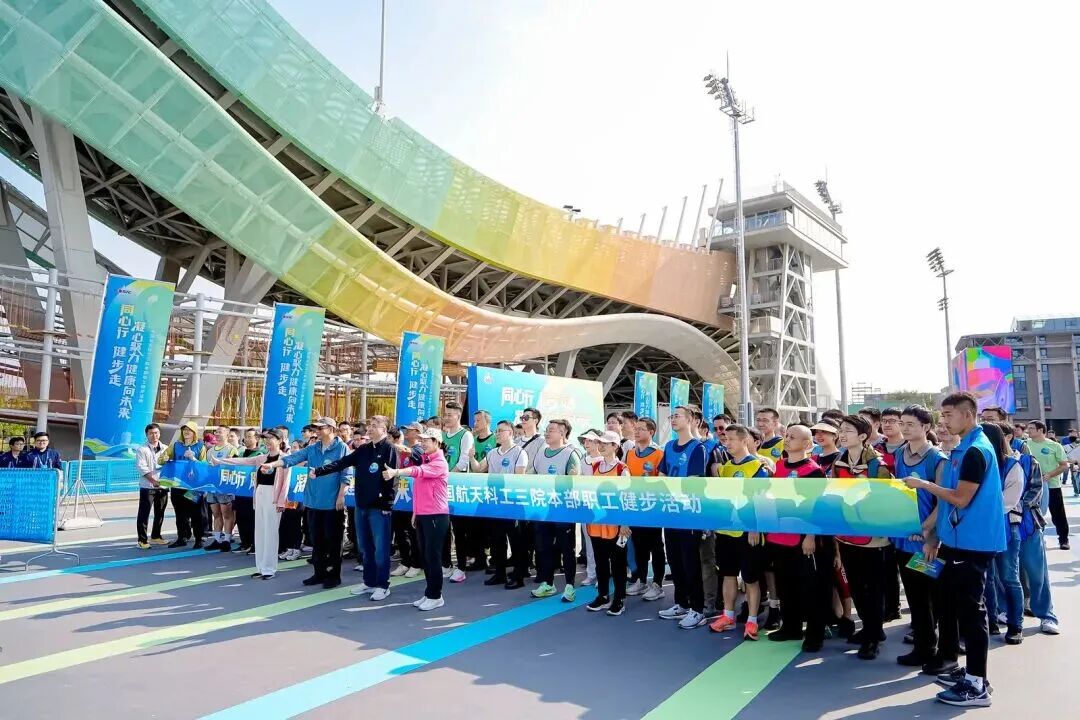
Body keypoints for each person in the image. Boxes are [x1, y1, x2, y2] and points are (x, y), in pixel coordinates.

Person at [905, 392, 1006, 708]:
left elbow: (960, 499)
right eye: (942, 415)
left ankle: (977, 684)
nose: (943, 422)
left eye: (948, 415)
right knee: (952, 603)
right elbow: (951, 503)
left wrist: (925, 485)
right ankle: (967, 672)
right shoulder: (962, 448)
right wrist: (935, 536)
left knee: (972, 612)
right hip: (956, 541)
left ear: (967, 414)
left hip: (972, 543)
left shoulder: (975, 450)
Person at [307, 416, 399, 601]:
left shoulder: (389, 449)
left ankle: (382, 585)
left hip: (379, 508)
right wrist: (319, 470)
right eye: (370, 425)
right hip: (361, 505)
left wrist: (387, 504)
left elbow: (392, 479)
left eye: (375, 426)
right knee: (365, 547)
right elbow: (342, 463)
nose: (370, 428)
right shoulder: (364, 449)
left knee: (380, 549)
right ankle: (369, 582)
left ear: (385, 429)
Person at [763, 424, 835, 652]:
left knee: (811, 588)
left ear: (806, 444)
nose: (787, 439)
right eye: (787, 435)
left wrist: (810, 536)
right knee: (786, 585)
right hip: (779, 535)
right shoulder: (779, 466)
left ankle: (814, 635)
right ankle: (790, 627)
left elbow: (817, 507)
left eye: (793, 437)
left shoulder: (813, 471)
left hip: (803, 539)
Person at [831, 414, 893, 660]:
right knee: (856, 586)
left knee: (873, 589)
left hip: (874, 537)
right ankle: (870, 628)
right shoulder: (838, 462)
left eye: (847, 430)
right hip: (847, 535)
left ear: (863, 436)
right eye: (841, 430)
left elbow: (886, 499)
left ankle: (873, 637)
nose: (842, 435)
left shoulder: (879, 465)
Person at [891, 405, 947, 667]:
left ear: (926, 427)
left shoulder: (937, 458)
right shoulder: (900, 453)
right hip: (905, 538)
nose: (904, 428)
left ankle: (939, 650)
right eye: (902, 423)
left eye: (910, 424)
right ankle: (923, 647)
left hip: (927, 542)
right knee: (914, 596)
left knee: (932, 597)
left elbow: (943, 501)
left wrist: (928, 532)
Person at [264, 417, 349, 589]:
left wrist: (341, 495)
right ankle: (319, 573)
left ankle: (333, 575)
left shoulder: (342, 448)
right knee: (317, 540)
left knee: (333, 540)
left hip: (332, 503)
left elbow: (346, 473)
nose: (317, 431)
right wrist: (273, 465)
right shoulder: (313, 448)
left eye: (320, 428)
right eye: (315, 428)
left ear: (331, 429)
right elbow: (292, 459)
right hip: (313, 501)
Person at [708, 423, 769, 640]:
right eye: (725, 439)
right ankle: (728, 615)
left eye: (732, 439)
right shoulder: (725, 468)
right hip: (727, 531)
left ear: (745, 441)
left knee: (751, 578)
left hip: (748, 532)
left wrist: (754, 527)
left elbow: (762, 500)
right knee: (728, 574)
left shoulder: (757, 467)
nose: (727, 443)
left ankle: (752, 620)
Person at [382, 428, 449, 611]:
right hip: (423, 515)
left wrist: (396, 472)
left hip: (436, 515)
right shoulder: (427, 459)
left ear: (436, 442)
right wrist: (416, 512)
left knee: (433, 557)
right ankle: (429, 593)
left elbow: (417, 471)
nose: (423, 443)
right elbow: (420, 491)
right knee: (426, 557)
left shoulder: (439, 462)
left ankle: (436, 596)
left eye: (427, 440)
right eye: (422, 440)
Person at [211, 428, 290, 578]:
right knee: (259, 531)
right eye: (266, 439)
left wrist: (281, 502)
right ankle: (261, 567)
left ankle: (269, 569)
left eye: (271, 438)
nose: (267, 441)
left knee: (270, 533)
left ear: (279, 441)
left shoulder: (285, 459)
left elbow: (285, 483)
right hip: (260, 494)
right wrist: (220, 461)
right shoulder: (261, 458)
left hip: (273, 497)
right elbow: (242, 461)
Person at [657, 406, 709, 630]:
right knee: (675, 560)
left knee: (691, 563)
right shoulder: (669, 446)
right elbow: (662, 475)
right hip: (671, 512)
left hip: (688, 514)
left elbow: (695, 482)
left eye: (677, 416)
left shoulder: (698, 448)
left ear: (691, 420)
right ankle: (681, 603)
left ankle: (697, 609)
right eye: (672, 416)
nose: (673, 419)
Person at [470, 420, 528, 587]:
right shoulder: (492, 453)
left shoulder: (519, 452)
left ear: (510, 433)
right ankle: (500, 574)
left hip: (512, 503)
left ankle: (518, 576)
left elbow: (519, 478)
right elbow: (478, 469)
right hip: (495, 503)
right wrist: (471, 457)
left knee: (516, 541)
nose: (497, 433)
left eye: (501, 430)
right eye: (497, 431)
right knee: (497, 540)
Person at [530, 418, 581, 602]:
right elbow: (534, 476)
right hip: (544, 509)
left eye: (551, 430)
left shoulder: (570, 454)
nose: (547, 433)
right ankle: (548, 583)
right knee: (544, 548)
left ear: (562, 433)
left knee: (566, 549)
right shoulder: (541, 453)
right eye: (547, 430)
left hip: (563, 510)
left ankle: (570, 586)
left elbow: (574, 481)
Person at [585, 431, 632, 616]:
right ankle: (603, 596)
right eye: (600, 442)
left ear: (615, 446)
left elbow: (627, 498)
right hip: (597, 523)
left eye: (606, 443)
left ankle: (619, 599)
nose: (601, 445)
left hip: (616, 525)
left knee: (618, 563)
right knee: (601, 562)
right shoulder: (596, 465)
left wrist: (625, 524)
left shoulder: (622, 469)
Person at [625, 418, 667, 602]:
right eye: (636, 429)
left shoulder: (659, 454)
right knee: (639, 545)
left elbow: (663, 481)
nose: (637, 432)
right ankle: (641, 580)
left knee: (656, 546)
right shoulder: (629, 454)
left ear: (651, 432)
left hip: (652, 506)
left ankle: (657, 584)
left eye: (641, 429)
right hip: (635, 506)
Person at [157, 421, 207, 549]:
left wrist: (193, 459)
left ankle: (199, 538)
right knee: (180, 513)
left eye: (189, 430)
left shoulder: (200, 447)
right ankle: (182, 537)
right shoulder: (175, 445)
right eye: (184, 430)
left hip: (194, 486)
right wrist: (164, 459)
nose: (186, 432)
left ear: (194, 432)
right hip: (177, 484)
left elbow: (204, 466)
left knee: (196, 512)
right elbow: (161, 460)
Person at [442, 402, 475, 582]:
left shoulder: (465, 435)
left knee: (460, 529)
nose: (446, 418)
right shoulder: (442, 435)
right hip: (440, 487)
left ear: (458, 416)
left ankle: (461, 567)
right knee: (444, 528)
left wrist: (447, 476)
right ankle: (446, 564)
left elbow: (463, 461)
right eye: (445, 414)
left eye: (450, 415)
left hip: (456, 486)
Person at [1026, 421, 1070, 550]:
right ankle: (1037, 540)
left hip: (1052, 486)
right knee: (1034, 513)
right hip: (1032, 486)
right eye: (1028, 428)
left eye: (1031, 428)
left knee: (1058, 514)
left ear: (1041, 430)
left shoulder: (1054, 446)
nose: (1028, 431)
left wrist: (1050, 475)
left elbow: (1064, 465)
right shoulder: (1025, 445)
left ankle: (1063, 540)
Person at [390, 423, 424, 578]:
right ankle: (405, 561)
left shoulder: (419, 449)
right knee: (399, 531)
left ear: (417, 433)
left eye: (409, 430)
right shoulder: (403, 450)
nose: (406, 433)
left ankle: (416, 563)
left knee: (413, 532)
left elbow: (415, 457)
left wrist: (396, 446)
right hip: (400, 495)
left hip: (413, 498)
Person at [203, 425, 238, 552]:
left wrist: (220, 464)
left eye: (220, 432)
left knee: (226, 514)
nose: (217, 434)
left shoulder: (232, 449)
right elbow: (205, 467)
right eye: (216, 432)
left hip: (225, 486)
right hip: (212, 486)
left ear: (227, 434)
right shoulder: (210, 451)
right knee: (216, 514)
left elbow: (234, 466)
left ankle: (227, 540)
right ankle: (217, 540)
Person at [134, 423, 169, 549]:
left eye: (156, 433)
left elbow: (170, 465)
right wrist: (153, 480)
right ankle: (142, 540)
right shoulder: (142, 450)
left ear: (159, 433)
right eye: (151, 433)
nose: (154, 435)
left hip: (163, 486)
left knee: (160, 512)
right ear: (147, 435)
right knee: (144, 514)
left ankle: (156, 536)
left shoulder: (166, 448)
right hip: (147, 486)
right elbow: (141, 467)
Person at [576, 429, 602, 587]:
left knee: (602, 543)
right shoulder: (583, 460)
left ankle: (602, 574)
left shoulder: (604, 460)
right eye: (585, 441)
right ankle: (591, 573)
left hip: (601, 507)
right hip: (586, 505)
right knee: (589, 542)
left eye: (590, 440)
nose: (586, 443)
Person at [232, 428, 261, 554]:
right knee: (240, 517)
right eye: (246, 436)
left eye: (250, 436)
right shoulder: (241, 452)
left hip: (252, 492)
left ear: (257, 438)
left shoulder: (260, 454)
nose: (247, 439)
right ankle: (245, 543)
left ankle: (255, 544)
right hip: (240, 490)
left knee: (252, 518)